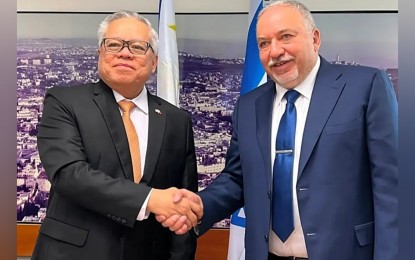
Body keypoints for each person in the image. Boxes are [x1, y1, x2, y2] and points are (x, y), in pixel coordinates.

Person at [159, 1, 398, 259]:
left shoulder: (365, 87)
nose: (275, 51)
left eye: (286, 36)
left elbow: (393, 187)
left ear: (315, 39)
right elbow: (238, 178)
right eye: (263, 43)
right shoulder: (249, 106)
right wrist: (200, 206)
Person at [32, 10, 201, 260]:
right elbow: (69, 175)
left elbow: (182, 206)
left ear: (154, 61)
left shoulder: (177, 120)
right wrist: (151, 199)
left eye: (137, 47)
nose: (124, 52)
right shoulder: (63, 102)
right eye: (113, 44)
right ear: (100, 53)